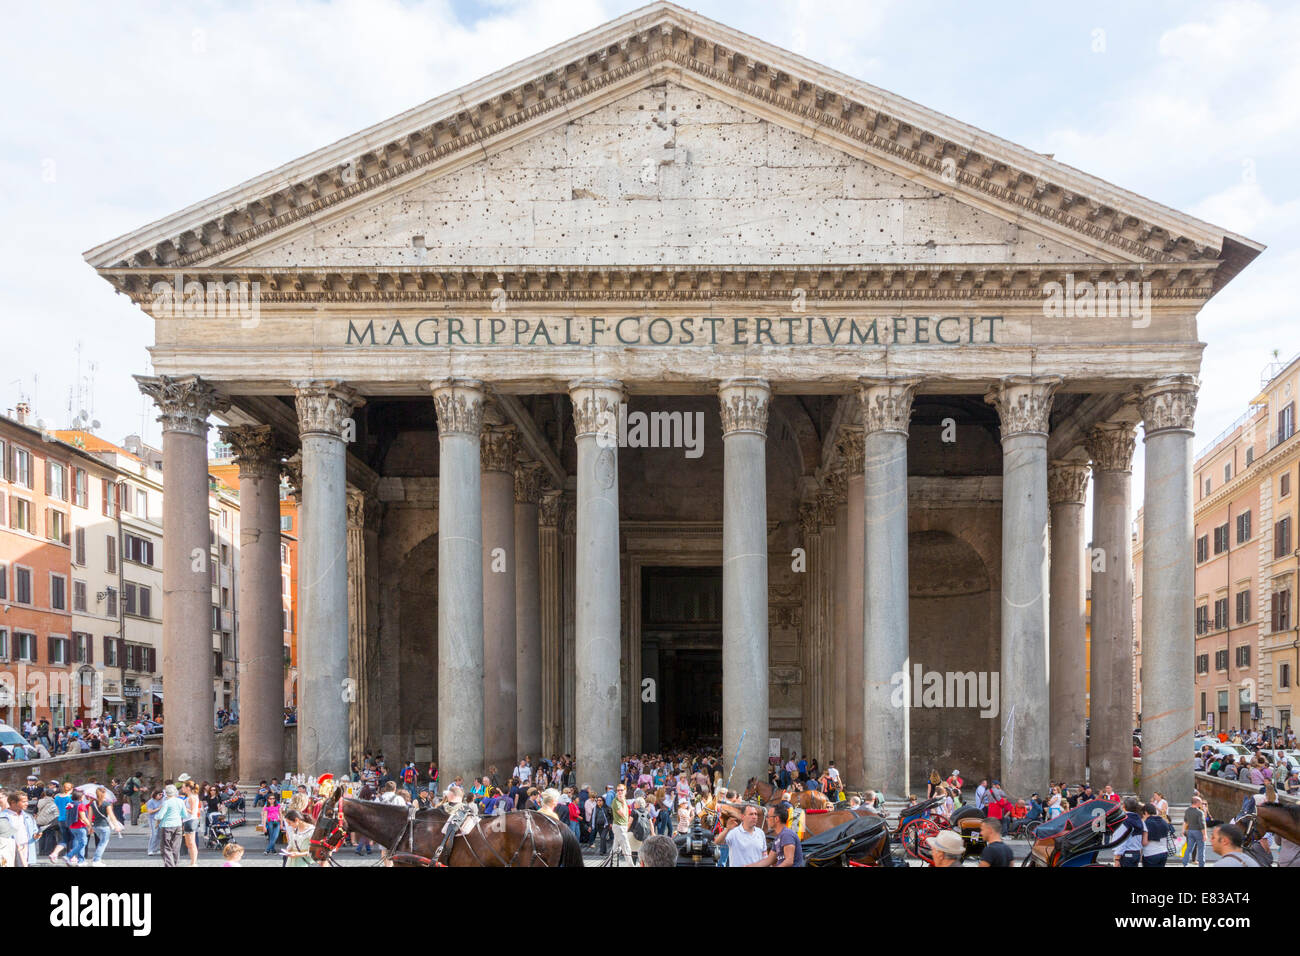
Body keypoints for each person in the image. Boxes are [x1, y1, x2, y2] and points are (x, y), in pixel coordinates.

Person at [88, 787, 123, 867]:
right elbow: (112, 816)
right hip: (104, 826)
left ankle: (97, 859)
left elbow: (89, 817)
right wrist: (116, 826)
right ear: (104, 794)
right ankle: (96, 860)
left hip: (95, 826)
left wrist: (89, 827)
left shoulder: (92, 804)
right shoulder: (107, 804)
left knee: (101, 842)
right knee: (103, 843)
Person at [156, 785, 186, 867]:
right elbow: (184, 814)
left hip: (167, 826)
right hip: (178, 825)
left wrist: (156, 816)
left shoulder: (166, 802)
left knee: (166, 848)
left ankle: (170, 865)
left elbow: (160, 816)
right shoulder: (181, 801)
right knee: (176, 847)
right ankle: (174, 864)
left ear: (166, 793)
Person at [1114, 796, 1144, 867]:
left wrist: (1117, 859)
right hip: (1136, 853)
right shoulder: (1139, 819)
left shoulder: (1124, 821)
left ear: (1123, 806)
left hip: (1126, 854)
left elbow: (1120, 841)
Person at [609, 783, 633, 865]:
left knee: (615, 849)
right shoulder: (616, 801)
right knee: (627, 848)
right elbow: (622, 813)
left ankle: (611, 864)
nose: (619, 792)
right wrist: (623, 802)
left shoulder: (623, 800)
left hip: (622, 826)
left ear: (625, 791)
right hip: (619, 827)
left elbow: (627, 814)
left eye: (621, 790)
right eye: (618, 790)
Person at [1140, 803, 1169, 867]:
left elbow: (1144, 842)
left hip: (1150, 854)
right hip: (1164, 852)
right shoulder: (1163, 821)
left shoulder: (1146, 823)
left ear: (1146, 812)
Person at [1181, 796, 1207, 867]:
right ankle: (1201, 865)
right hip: (1198, 832)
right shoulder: (1199, 812)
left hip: (1190, 831)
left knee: (1189, 848)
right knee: (1201, 850)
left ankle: (1184, 864)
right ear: (1197, 802)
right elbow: (1202, 825)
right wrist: (1205, 835)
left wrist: (1183, 830)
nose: (1201, 803)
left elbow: (1185, 822)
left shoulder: (1187, 810)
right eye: (1201, 802)